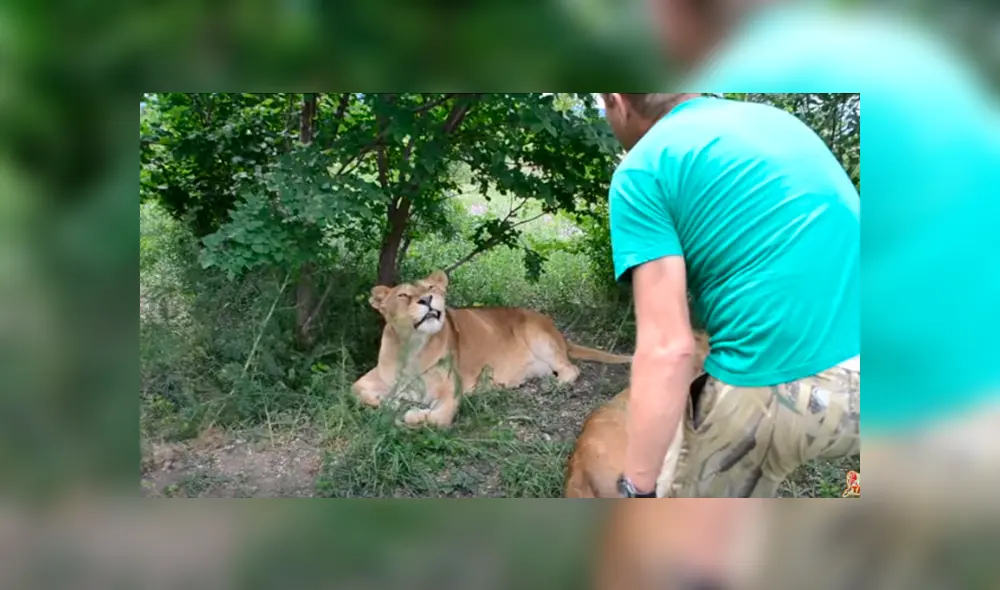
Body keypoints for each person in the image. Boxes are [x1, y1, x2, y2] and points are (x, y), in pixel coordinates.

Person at [602, 91, 861, 500]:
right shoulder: (776, 122)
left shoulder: (642, 168)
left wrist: (639, 487)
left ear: (617, 102)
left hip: (776, 388)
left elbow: (668, 349)